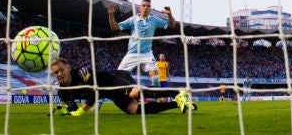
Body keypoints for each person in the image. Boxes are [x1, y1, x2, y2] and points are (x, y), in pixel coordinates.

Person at [49, 58, 197, 116]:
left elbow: (95, 91)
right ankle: (176, 103)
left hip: (115, 79)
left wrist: (83, 109)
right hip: (111, 94)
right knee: (133, 110)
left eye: (61, 70)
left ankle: (178, 92)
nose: (60, 74)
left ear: (68, 68)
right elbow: (73, 109)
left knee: (133, 93)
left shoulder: (82, 73)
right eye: (56, 72)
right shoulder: (63, 93)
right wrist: (66, 108)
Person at [107, 0, 175, 87]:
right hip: (132, 54)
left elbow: (171, 26)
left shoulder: (154, 20)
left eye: (148, 6)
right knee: (118, 77)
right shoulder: (133, 20)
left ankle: (154, 99)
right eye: (144, 5)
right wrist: (111, 14)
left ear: (150, 9)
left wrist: (169, 14)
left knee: (156, 80)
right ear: (140, 8)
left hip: (147, 54)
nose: (146, 7)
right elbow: (114, 28)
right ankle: (104, 97)